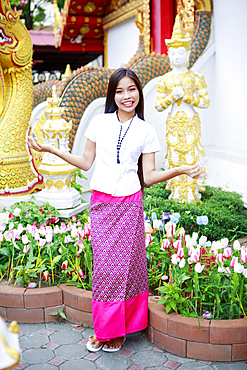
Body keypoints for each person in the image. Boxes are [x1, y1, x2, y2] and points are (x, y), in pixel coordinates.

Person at [27, 68, 201, 352]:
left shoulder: (147, 130)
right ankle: (105, 329)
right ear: (112, 95)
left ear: (138, 92)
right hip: (102, 204)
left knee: (127, 269)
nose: (126, 96)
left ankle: (120, 330)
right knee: (106, 270)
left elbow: (149, 175)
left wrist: (180, 170)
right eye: (119, 91)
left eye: (131, 89)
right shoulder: (99, 122)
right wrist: (50, 149)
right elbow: (85, 161)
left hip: (130, 204)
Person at [155, 15, 210, 202]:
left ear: (187, 53)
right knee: (175, 156)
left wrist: (185, 96)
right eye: (173, 52)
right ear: (168, 54)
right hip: (173, 123)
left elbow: (205, 102)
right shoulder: (165, 79)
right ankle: (176, 194)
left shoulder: (196, 77)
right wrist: (172, 96)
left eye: (180, 52)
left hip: (190, 122)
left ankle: (192, 194)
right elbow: (158, 106)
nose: (176, 56)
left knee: (191, 155)